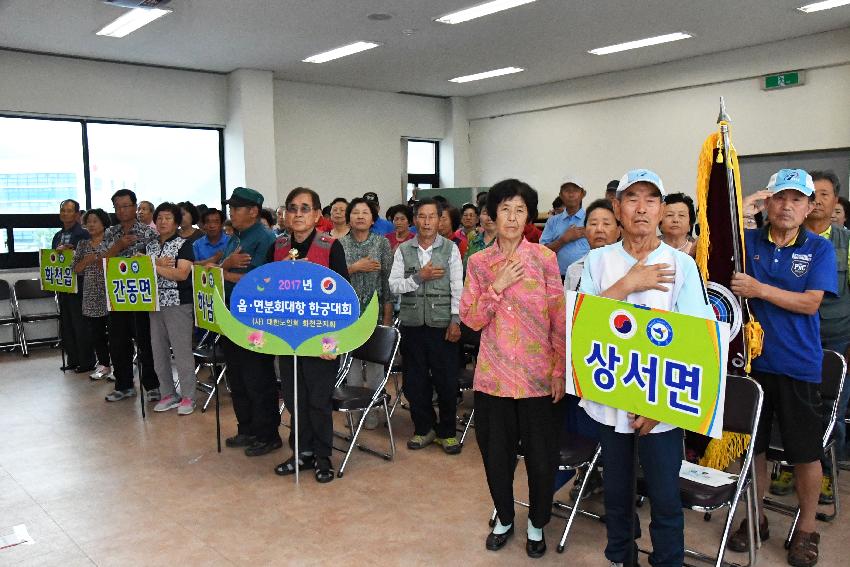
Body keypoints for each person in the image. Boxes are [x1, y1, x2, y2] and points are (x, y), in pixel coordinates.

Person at [579, 169, 714, 567]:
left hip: (662, 404)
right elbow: (583, 324)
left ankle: (668, 561)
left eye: (650, 199)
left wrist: (662, 406)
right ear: (617, 209)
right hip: (612, 391)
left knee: (666, 495)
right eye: (632, 198)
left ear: (661, 209)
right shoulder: (599, 259)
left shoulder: (681, 265)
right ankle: (622, 557)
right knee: (618, 494)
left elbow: (695, 339)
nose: (641, 207)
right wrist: (627, 285)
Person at [727, 169, 837, 567]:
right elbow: (714, 229)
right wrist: (743, 203)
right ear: (768, 203)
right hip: (753, 366)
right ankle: (754, 519)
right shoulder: (749, 242)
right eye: (779, 198)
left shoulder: (819, 249)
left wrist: (760, 290)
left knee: (805, 453)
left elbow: (810, 302)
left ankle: (807, 529)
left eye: (796, 199)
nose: (787, 206)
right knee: (752, 450)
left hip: (798, 366)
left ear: (810, 207)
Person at [460, 179, 566, 558]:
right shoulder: (478, 262)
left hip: (539, 377)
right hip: (493, 379)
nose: (512, 217)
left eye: (520, 210)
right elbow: (470, 320)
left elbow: (558, 317)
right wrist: (497, 285)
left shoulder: (544, 259)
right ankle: (504, 517)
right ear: (492, 215)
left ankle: (537, 522)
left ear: (529, 217)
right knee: (496, 456)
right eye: (505, 209)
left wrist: (559, 370)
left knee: (541, 459)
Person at [269, 187, 350, 483]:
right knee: (294, 399)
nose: (298, 214)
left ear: (317, 215)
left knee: (318, 400)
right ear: (286, 214)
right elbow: (265, 289)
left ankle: (323, 457)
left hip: (321, 339)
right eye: (293, 208)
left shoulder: (330, 246)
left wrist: (334, 341)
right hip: (287, 338)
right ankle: (300, 453)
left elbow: (344, 296)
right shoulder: (278, 246)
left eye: (305, 208)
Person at [389, 198, 464, 455]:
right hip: (412, 325)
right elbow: (394, 285)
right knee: (414, 382)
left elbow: (458, 287)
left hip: (442, 324)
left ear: (440, 219)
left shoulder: (450, 249)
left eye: (433, 216)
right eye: (422, 216)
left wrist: (456, 320)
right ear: (415, 219)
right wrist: (418, 278)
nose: (427, 221)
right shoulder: (403, 250)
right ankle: (424, 428)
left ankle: (447, 433)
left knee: (445, 381)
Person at [562, 198, 620, 500]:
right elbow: (570, 316)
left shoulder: (632, 267)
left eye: (606, 224)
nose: (599, 229)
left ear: (619, 228)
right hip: (585, 356)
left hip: (620, 360)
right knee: (581, 420)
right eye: (593, 224)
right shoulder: (575, 268)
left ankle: (619, 481)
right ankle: (588, 474)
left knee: (616, 427)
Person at [219, 187, 280, 456]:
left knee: (258, 379)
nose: (231, 213)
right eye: (231, 208)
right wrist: (225, 266)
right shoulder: (236, 237)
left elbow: (258, 282)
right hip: (231, 316)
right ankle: (247, 428)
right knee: (237, 377)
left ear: (253, 211)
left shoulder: (265, 239)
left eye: (236, 208)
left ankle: (268, 434)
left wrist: (222, 272)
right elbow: (225, 268)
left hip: (254, 319)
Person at [339, 197, 394, 429]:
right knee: (350, 364)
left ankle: (372, 411)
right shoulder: (339, 244)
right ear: (348, 218)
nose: (360, 216)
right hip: (346, 314)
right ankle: (352, 410)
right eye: (356, 212)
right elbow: (332, 280)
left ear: (373, 219)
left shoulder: (381, 244)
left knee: (374, 366)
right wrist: (354, 268)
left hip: (374, 313)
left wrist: (387, 318)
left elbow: (387, 282)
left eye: (365, 213)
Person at [102, 189, 160, 402]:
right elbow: (103, 260)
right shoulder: (110, 232)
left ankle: (152, 385)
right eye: (118, 207)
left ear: (135, 207)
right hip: (117, 295)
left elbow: (155, 261)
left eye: (126, 206)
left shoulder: (149, 232)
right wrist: (119, 246)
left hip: (141, 295)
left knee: (145, 342)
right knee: (118, 343)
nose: (122, 210)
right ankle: (124, 385)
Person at [146, 202, 197, 416]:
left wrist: (153, 267)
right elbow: (138, 268)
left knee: (182, 351)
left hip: (178, 302)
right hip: (154, 303)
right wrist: (158, 265)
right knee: (158, 352)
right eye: (159, 218)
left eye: (167, 218)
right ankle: (167, 393)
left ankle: (188, 396)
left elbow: (182, 274)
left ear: (176, 222)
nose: (162, 222)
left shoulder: (184, 245)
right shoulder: (150, 246)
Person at [52, 199, 96, 374]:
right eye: (63, 210)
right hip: (63, 284)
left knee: (80, 324)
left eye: (69, 211)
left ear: (77, 214)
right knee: (67, 324)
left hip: (80, 284)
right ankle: (72, 358)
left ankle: (86, 361)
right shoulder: (57, 235)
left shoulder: (83, 234)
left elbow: (89, 256)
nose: (65, 214)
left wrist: (73, 252)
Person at [72, 208, 112, 381]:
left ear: (104, 223)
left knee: (117, 333)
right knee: (96, 333)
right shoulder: (82, 244)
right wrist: (85, 261)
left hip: (111, 293)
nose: (91, 224)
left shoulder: (112, 243)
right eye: (88, 221)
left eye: (95, 221)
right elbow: (74, 269)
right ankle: (103, 365)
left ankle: (120, 366)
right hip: (90, 294)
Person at [540, 177, 590, 279]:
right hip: (557, 278)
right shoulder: (552, 221)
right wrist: (563, 240)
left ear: (583, 194)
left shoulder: (591, 219)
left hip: (586, 277)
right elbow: (541, 252)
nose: (571, 194)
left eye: (575, 190)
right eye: (567, 190)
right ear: (560, 195)